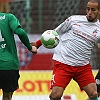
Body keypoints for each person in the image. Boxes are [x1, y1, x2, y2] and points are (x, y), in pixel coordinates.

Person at [31, 0, 100, 100]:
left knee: (94, 94)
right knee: (55, 95)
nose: (89, 12)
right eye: (88, 9)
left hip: (82, 67)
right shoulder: (74, 20)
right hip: (64, 64)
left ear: (99, 11)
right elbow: (56, 32)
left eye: (93, 10)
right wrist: (38, 44)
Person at [0, 12, 37, 100]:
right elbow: (20, 32)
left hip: (7, 65)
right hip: (8, 65)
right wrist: (29, 47)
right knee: (7, 96)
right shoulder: (8, 17)